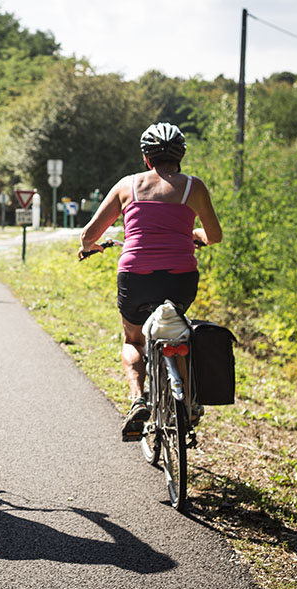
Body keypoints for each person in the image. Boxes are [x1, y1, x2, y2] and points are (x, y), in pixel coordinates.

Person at [78, 122, 222, 441]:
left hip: (136, 278)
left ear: (146, 157)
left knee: (133, 339)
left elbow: (88, 235)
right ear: (181, 155)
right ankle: (185, 401)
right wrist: (193, 235)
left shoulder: (126, 186)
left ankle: (138, 400)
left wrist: (92, 246)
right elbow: (215, 236)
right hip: (181, 279)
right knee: (177, 331)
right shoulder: (193, 187)